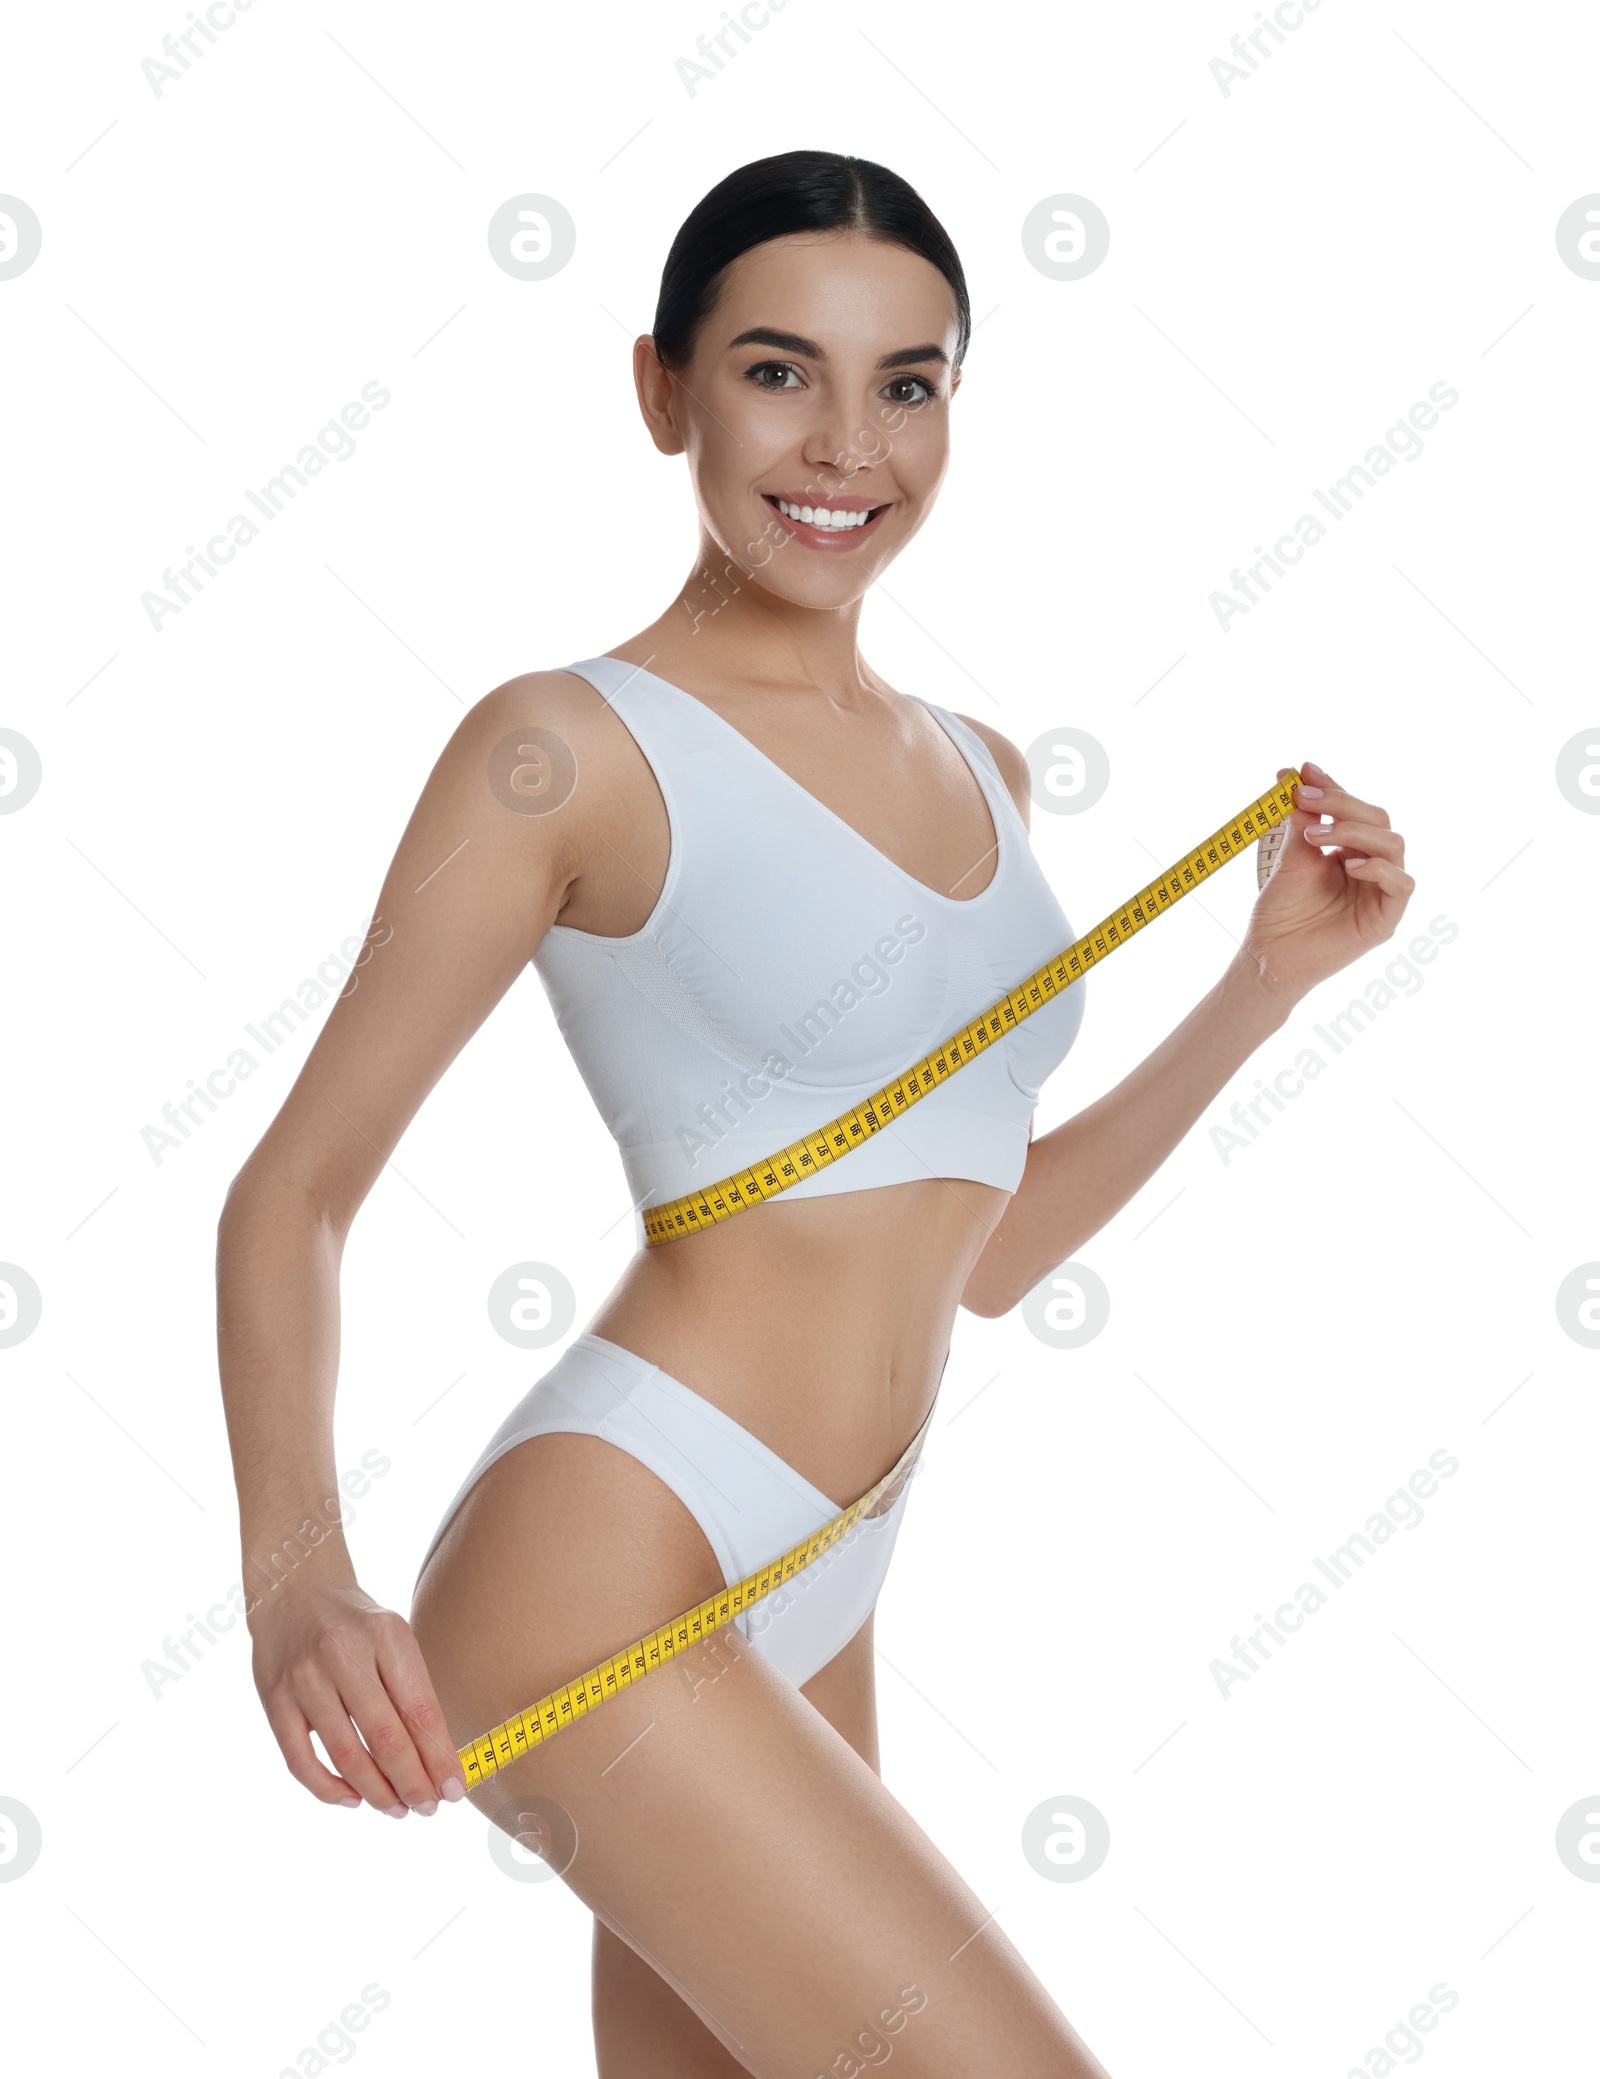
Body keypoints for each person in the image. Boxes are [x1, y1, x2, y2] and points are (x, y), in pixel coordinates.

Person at [216, 149, 1413, 2076]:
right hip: (611, 1563)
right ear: (661, 390)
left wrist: (1262, 988)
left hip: (825, 1569)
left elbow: (987, 1244)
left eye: (908, 383)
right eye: (779, 373)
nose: (846, 443)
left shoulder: (986, 771)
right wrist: (293, 1583)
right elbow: (294, 1195)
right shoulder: (566, 751)